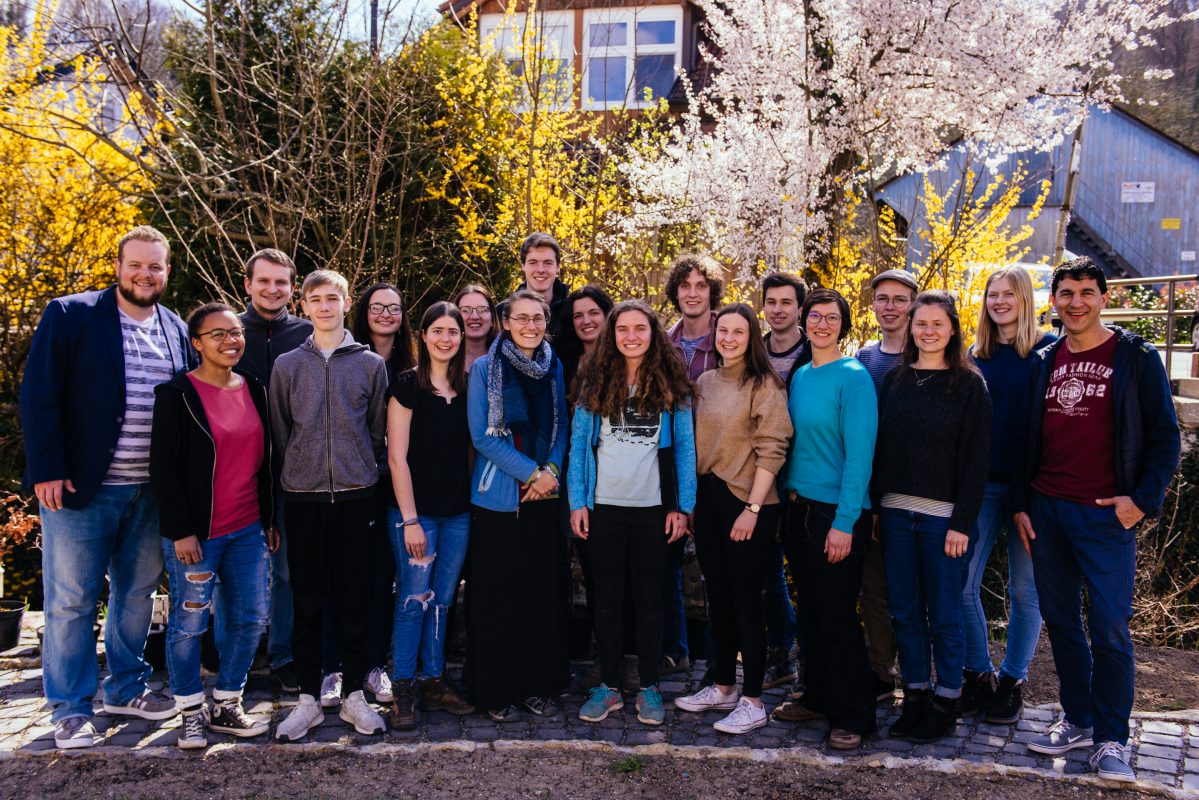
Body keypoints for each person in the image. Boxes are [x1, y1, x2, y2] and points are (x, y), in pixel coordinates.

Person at [20, 225, 194, 749]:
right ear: (117, 266)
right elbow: (40, 394)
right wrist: (46, 468)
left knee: (137, 593)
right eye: (135, 264)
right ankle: (71, 709)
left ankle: (125, 688)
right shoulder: (71, 314)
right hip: (83, 487)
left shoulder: (175, 326)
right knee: (72, 601)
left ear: (167, 271)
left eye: (155, 266)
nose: (145, 274)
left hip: (151, 490)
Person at [1018, 258, 1180, 783]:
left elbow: (1166, 437)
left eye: (1087, 292)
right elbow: (1025, 437)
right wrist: (1022, 504)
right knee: (1062, 622)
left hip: (1107, 517)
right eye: (1066, 293)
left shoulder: (1135, 357)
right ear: (1054, 300)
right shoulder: (1046, 358)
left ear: (1104, 298)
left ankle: (1113, 738)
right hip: (1048, 511)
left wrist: (1141, 502)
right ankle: (1079, 719)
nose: (1076, 302)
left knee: (1109, 627)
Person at [150, 303, 276, 749]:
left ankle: (226, 703)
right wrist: (181, 530)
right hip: (198, 535)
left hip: (247, 529)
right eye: (217, 334)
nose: (230, 341)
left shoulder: (255, 388)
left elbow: (266, 463)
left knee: (251, 618)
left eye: (235, 332)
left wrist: (269, 519)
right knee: (189, 622)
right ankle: (189, 710)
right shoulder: (177, 394)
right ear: (196, 343)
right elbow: (163, 468)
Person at [270, 270, 389, 741]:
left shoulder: (370, 365)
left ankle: (355, 695)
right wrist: (301, 469)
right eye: (315, 299)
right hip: (303, 498)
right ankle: (306, 700)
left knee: (354, 598)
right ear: (303, 306)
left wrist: (358, 466)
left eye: (332, 299)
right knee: (307, 600)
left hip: (357, 496)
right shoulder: (287, 366)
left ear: (346, 302)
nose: (324, 306)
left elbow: (376, 431)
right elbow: (281, 432)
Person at [567, 299, 697, 726]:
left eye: (640, 328)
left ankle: (649, 687)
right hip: (604, 507)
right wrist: (577, 501)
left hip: (653, 510)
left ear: (653, 333)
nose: (631, 336)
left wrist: (683, 507)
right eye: (622, 329)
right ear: (612, 335)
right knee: (606, 600)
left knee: (649, 601)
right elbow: (579, 446)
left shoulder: (672, 385)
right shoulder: (594, 381)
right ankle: (608, 686)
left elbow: (684, 450)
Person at [873, 291, 991, 744]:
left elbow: (976, 460)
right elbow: (884, 450)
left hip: (944, 522)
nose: (928, 331)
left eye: (937, 324)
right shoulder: (897, 380)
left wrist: (962, 522)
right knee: (904, 611)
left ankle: (946, 701)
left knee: (944, 613)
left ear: (952, 329)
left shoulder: (969, 385)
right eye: (920, 323)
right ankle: (916, 695)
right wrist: (877, 507)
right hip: (895, 515)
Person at [675, 303, 792, 735]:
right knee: (719, 599)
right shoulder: (705, 381)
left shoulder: (765, 383)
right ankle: (723, 685)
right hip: (709, 501)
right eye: (722, 330)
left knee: (746, 601)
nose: (728, 338)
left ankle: (753, 700)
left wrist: (753, 509)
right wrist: (691, 503)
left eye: (738, 331)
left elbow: (773, 449)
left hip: (748, 500)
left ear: (752, 337)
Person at [770, 288, 877, 750]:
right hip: (798, 509)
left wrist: (845, 523)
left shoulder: (854, 378)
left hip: (836, 513)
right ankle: (815, 696)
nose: (822, 324)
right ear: (804, 321)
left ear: (843, 325)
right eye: (815, 316)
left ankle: (853, 715)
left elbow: (860, 458)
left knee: (836, 616)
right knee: (810, 612)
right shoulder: (801, 376)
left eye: (832, 318)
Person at [465, 289, 569, 721]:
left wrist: (551, 472)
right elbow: (482, 436)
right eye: (521, 318)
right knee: (497, 600)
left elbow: (562, 426)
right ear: (505, 323)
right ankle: (496, 690)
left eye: (537, 318)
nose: (530, 325)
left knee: (539, 597)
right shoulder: (484, 369)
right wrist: (531, 473)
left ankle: (536, 686)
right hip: (498, 501)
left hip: (545, 498)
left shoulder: (554, 365)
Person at [311, 285, 416, 709]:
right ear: (362, 311)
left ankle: (374, 664)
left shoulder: (414, 365)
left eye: (394, 307)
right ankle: (333, 666)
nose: (386, 314)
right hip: (351, 482)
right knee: (337, 577)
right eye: (377, 307)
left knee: (380, 578)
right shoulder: (345, 357)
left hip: (396, 487)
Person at [958, 266, 1056, 723]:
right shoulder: (973, 355)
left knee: (1025, 590)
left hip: (1029, 489)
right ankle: (979, 674)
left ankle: (1013, 680)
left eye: (1008, 294)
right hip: (978, 486)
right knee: (961, 583)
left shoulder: (1047, 352)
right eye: (992, 294)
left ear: (1025, 300)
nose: (998, 302)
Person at [386, 302, 476, 729]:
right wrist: (410, 520)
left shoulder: (468, 387)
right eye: (437, 330)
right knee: (412, 599)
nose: (445, 338)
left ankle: (433, 680)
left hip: (457, 514)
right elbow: (396, 458)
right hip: (415, 515)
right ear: (423, 336)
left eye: (453, 332)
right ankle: (403, 685)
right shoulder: (407, 385)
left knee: (442, 600)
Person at [236, 247, 311, 694]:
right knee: (233, 571)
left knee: (287, 571)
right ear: (247, 284)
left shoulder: (306, 333)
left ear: (292, 288)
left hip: (290, 471)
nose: (272, 289)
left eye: (281, 282)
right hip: (234, 469)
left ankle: (284, 655)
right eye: (263, 280)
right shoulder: (228, 330)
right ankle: (233, 661)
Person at [855, 267, 918, 702]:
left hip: (915, 493)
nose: (890, 307)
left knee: (913, 593)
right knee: (874, 590)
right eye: (883, 298)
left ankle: (919, 678)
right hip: (870, 491)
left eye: (899, 299)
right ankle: (881, 673)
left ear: (913, 304)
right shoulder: (864, 358)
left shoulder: (926, 354)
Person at [660, 253, 725, 678]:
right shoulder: (663, 341)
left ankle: (723, 662)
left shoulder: (729, 336)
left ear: (711, 291)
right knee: (667, 562)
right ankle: (675, 650)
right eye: (685, 286)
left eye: (701, 285)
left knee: (720, 570)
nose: (693, 293)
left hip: (719, 467)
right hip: (671, 465)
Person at [758, 271, 809, 691]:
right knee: (767, 571)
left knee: (807, 577)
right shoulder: (751, 350)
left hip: (805, 478)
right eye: (771, 302)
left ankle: (811, 664)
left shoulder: (814, 353)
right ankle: (781, 651)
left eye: (786, 302)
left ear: (800, 309)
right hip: (759, 476)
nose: (778, 310)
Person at [556, 284, 615, 393]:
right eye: (578, 316)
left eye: (594, 313)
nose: (586, 321)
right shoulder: (563, 364)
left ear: (607, 315)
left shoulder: (622, 359)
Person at [518, 232, 569, 333]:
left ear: (558, 267)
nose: (540, 270)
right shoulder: (503, 313)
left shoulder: (572, 312)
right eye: (533, 262)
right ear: (523, 266)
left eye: (548, 263)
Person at [453, 284, 498, 371]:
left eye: (482, 310)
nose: (474, 316)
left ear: (492, 318)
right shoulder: (444, 359)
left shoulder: (506, 360)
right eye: (466, 310)